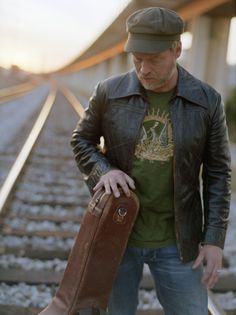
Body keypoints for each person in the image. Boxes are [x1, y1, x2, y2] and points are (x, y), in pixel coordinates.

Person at [71, 7, 231, 315]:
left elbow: (219, 173)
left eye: (154, 59)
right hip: (116, 233)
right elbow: (80, 140)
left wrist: (214, 239)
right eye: (137, 58)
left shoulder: (206, 100)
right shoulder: (109, 91)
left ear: (177, 50)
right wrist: (103, 170)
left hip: (177, 241)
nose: (143, 69)